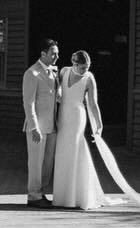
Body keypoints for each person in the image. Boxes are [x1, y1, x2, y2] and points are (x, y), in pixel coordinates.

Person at [51, 50, 108, 210]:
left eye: (87, 67)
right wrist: (58, 93)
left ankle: (77, 195)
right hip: (63, 114)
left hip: (77, 115)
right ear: (74, 64)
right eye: (82, 67)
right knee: (62, 151)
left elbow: (93, 103)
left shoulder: (89, 78)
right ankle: (63, 196)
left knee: (75, 149)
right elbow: (57, 89)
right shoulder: (63, 71)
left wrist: (99, 123)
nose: (85, 70)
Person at [21, 38, 60, 208]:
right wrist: (33, 126)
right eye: (53, 53)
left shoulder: (53, 72)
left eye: (57, 53)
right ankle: (33, 196)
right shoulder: (32, 73)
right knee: (35, 162)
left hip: (51, 126)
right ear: (43, 54)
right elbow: (28, 102)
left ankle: (41, 192)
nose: (56, 56)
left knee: (47, 162)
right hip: (37, 127)